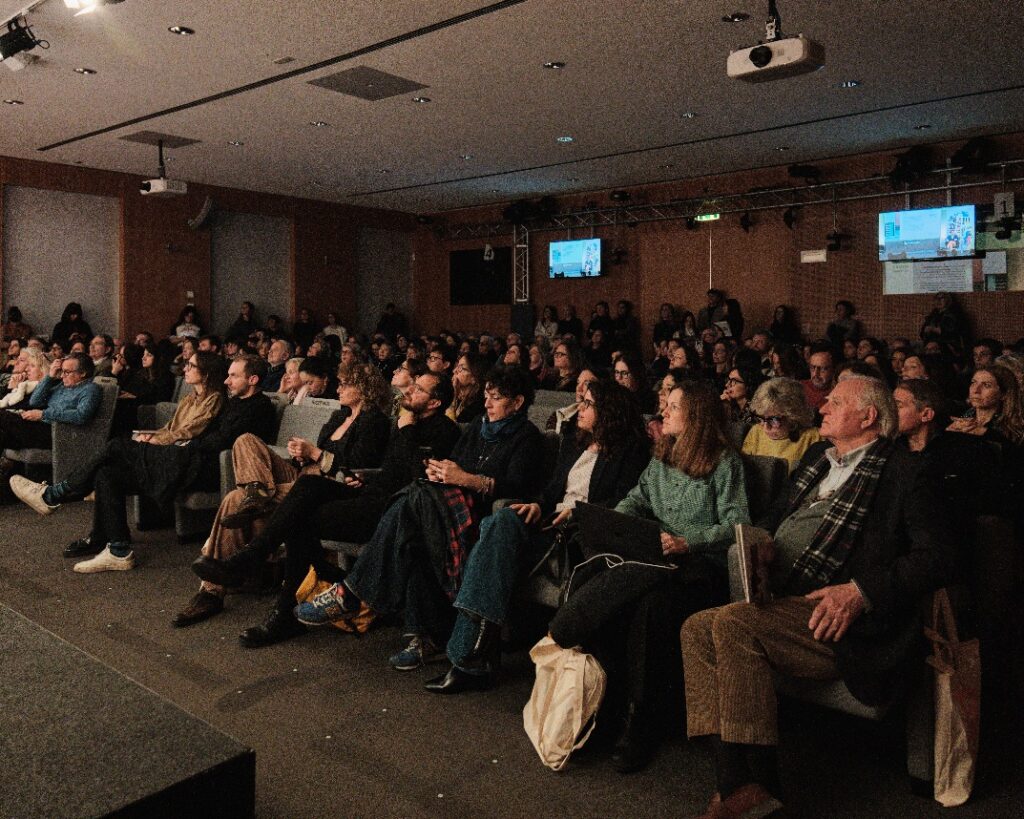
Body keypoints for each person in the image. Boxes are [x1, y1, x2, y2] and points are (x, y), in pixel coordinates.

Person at [680, 375, 953, 818]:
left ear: (868, 416)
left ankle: (758, 786)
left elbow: (939, 556)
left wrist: (859, 592)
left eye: (836, 401)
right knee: (695, 627)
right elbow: (773, 516)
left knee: (731, 623)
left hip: (846, 621)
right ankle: (741, 785)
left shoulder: (906, 471)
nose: (822, 407)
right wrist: (763, 542)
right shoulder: (816, 459)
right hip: (788, 599)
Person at [550, 379, 750, 773]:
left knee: (650, 605)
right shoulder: (663, 457)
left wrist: (687, 541)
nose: (664, 413)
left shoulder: (725, 463)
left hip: (696, 566)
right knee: (620, 591)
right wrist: (615, 521)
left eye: (674, 407)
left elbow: (737, 524)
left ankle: (642, 718)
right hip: (652, 557)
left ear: (697, 416)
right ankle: (606, 709)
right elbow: (638, 499)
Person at [290, 366, 545, 672]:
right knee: (414, 508)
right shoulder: (479, 425)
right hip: (446, 507)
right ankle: (418, 633)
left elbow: (517, 489)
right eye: (487, 396)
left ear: (517, 403)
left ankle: (353, 593)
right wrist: (442, 471)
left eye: (497, 398)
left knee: (414, 501)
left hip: (481, 519)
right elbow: (454, 465)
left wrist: (467, 479)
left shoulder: (528, 438)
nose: (488, 404)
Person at [191, 371, 462, 644]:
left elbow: (420, 475)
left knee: (299, 518)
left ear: (435, 402)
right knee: (309, 486)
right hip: (370, 492)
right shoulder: (402, 424)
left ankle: (279, 602)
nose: (410, 391)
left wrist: (406, 429)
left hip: (395, 510)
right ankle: (266, 562)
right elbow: (392, 470)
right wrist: (367, 476)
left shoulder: (443, 431)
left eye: (419, 389)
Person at [427, 378, 651, 694]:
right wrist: (536, 504)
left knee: (493, 531)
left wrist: (577, 513)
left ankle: (472, 656)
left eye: (588, 404)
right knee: (502, 521)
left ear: (609, 411)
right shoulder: (575, 442)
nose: (581, 409)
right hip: (548, 524)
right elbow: (551, 492)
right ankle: (474, 651)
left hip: (578, 535)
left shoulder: (631, 451)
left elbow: (626, 502)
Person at [173, 360, 390, 627]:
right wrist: (301, 456)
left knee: (233, 499)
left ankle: (212, 590)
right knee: (246, 440)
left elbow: (356, 466)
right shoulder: (338, 416)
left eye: (346, 384)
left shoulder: (374, 421)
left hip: (329, 485)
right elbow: (313, 455)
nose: (339, 388)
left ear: (364, 388)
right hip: (304, 475)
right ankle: (256, 491)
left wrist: (315, 454)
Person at [11, 351, 241, 571]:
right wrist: (153, 436)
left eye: (191, 366)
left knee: (116, 445)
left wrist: (153, 439)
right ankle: (117, 547)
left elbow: (189, 432)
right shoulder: (191, 398)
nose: (185, 368)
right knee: (107, 474)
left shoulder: (214, 400)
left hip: (179, 460)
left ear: (207, 373)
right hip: (168, 452)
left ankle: (55, 494)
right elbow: (171, 428)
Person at [0, 352, 100, 453]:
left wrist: (43, 414)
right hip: (41, 427)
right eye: (62, 371)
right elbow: (35, 402)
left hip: (57, 433)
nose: (62, 376)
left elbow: (81, 416)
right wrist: (50, 376)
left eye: (67, 372)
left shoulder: (90, 389)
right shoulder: (62, 385)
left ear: (83, 373)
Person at [741, 378, 822, 471]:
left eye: (774, 419)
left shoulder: (814, 437)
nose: (766, 427)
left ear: (793, 417)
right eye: (761, 418)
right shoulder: (756, 431)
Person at [920, 291, 970, 358]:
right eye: (936, 299)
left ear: (948, 300)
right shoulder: (933, 315)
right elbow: (923, 332)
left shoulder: (955, 314)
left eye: (941, 298)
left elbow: (954, 332)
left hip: (949, 344)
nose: (938, 301)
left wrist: (935, 330)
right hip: (931, 343)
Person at [448, 352, 487, 423]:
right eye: (457, 366)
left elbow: (449, 427)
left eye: (461, 368)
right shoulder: (460, 397)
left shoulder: (478, 407)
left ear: (474, 377)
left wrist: (454, 395)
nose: (454, 371)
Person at [613, 350, 656, 414]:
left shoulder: (647, 398)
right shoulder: (614, 395)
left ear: (636, 374)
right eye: (617, 372)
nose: (619, 378)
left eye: (624, 373)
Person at [801, 345, 835, 411]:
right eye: (813, 367)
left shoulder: (837, 393)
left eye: (822, 369)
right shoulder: (800, 387)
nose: (816, 374)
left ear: (833, 370)